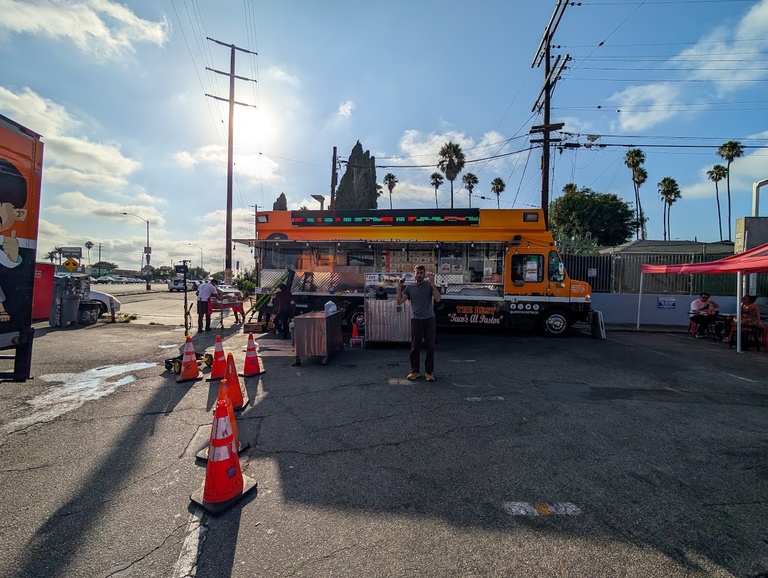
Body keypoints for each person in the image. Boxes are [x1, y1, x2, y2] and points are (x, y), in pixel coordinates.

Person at [396, 265, 442, 382]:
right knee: (415, 347)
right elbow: (399, 301)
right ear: (414, 274)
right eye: (418, 273)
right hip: (416, 320)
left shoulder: (428, 286)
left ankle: (429, 372)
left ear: (424, 274)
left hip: (429, 319)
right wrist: (399, 288)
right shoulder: (410, 287)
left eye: (422, 273)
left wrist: (432, 284)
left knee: (430, 346)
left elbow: (438, 299)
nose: (420, 275)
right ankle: (415, 371)